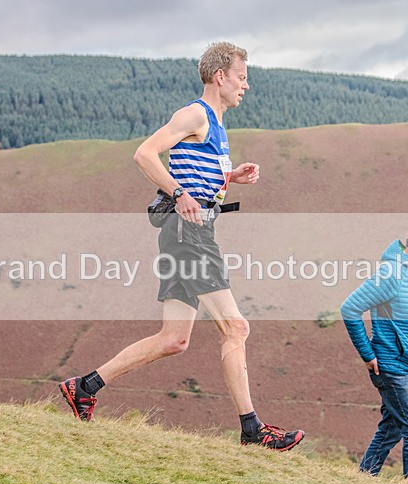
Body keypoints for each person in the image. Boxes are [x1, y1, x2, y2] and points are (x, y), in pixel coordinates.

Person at [58, 42, 304, 451]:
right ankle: (252, 430)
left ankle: (83, 387)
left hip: (190, 231)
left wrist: (230, 179)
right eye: (242, 76)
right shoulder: (195, 114)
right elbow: (144, 154)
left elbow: (198, 177)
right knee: (236, 327)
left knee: (174, 339)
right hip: (188, 232)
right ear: (220, 76)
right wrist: (178, 194)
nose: (247, 84)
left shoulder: (217, 127)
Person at [341, 220, 408, 482]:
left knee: (391, 429)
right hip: (390, 366)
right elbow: (350, 309)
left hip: (406, 368)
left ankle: (363, 479)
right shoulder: (392, 273)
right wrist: (367, 354)